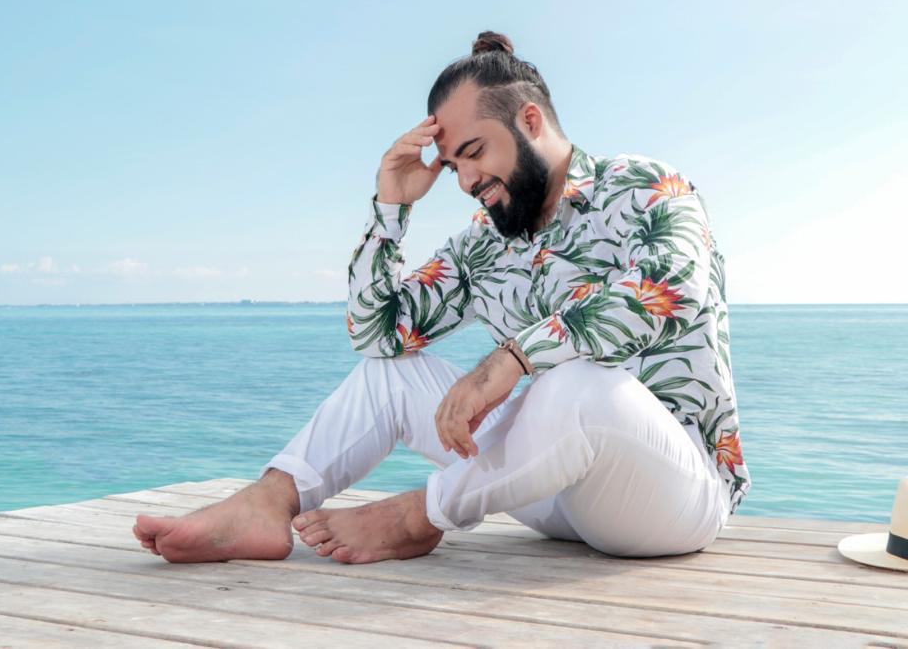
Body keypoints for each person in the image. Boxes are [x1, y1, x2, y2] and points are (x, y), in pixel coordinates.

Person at [132, 31, 750, 565]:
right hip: (547, 492)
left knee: (575, 385)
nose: (465, 181)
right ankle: (267, 504)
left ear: (530, 121)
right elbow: (377, 336)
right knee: (389, 376)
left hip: (671, 494)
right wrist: (392, 207)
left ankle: (419, 517)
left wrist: (510, 360)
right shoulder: (484, 244)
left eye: (473, 153)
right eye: (452, 164)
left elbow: (675, 290)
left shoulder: (646, 187)